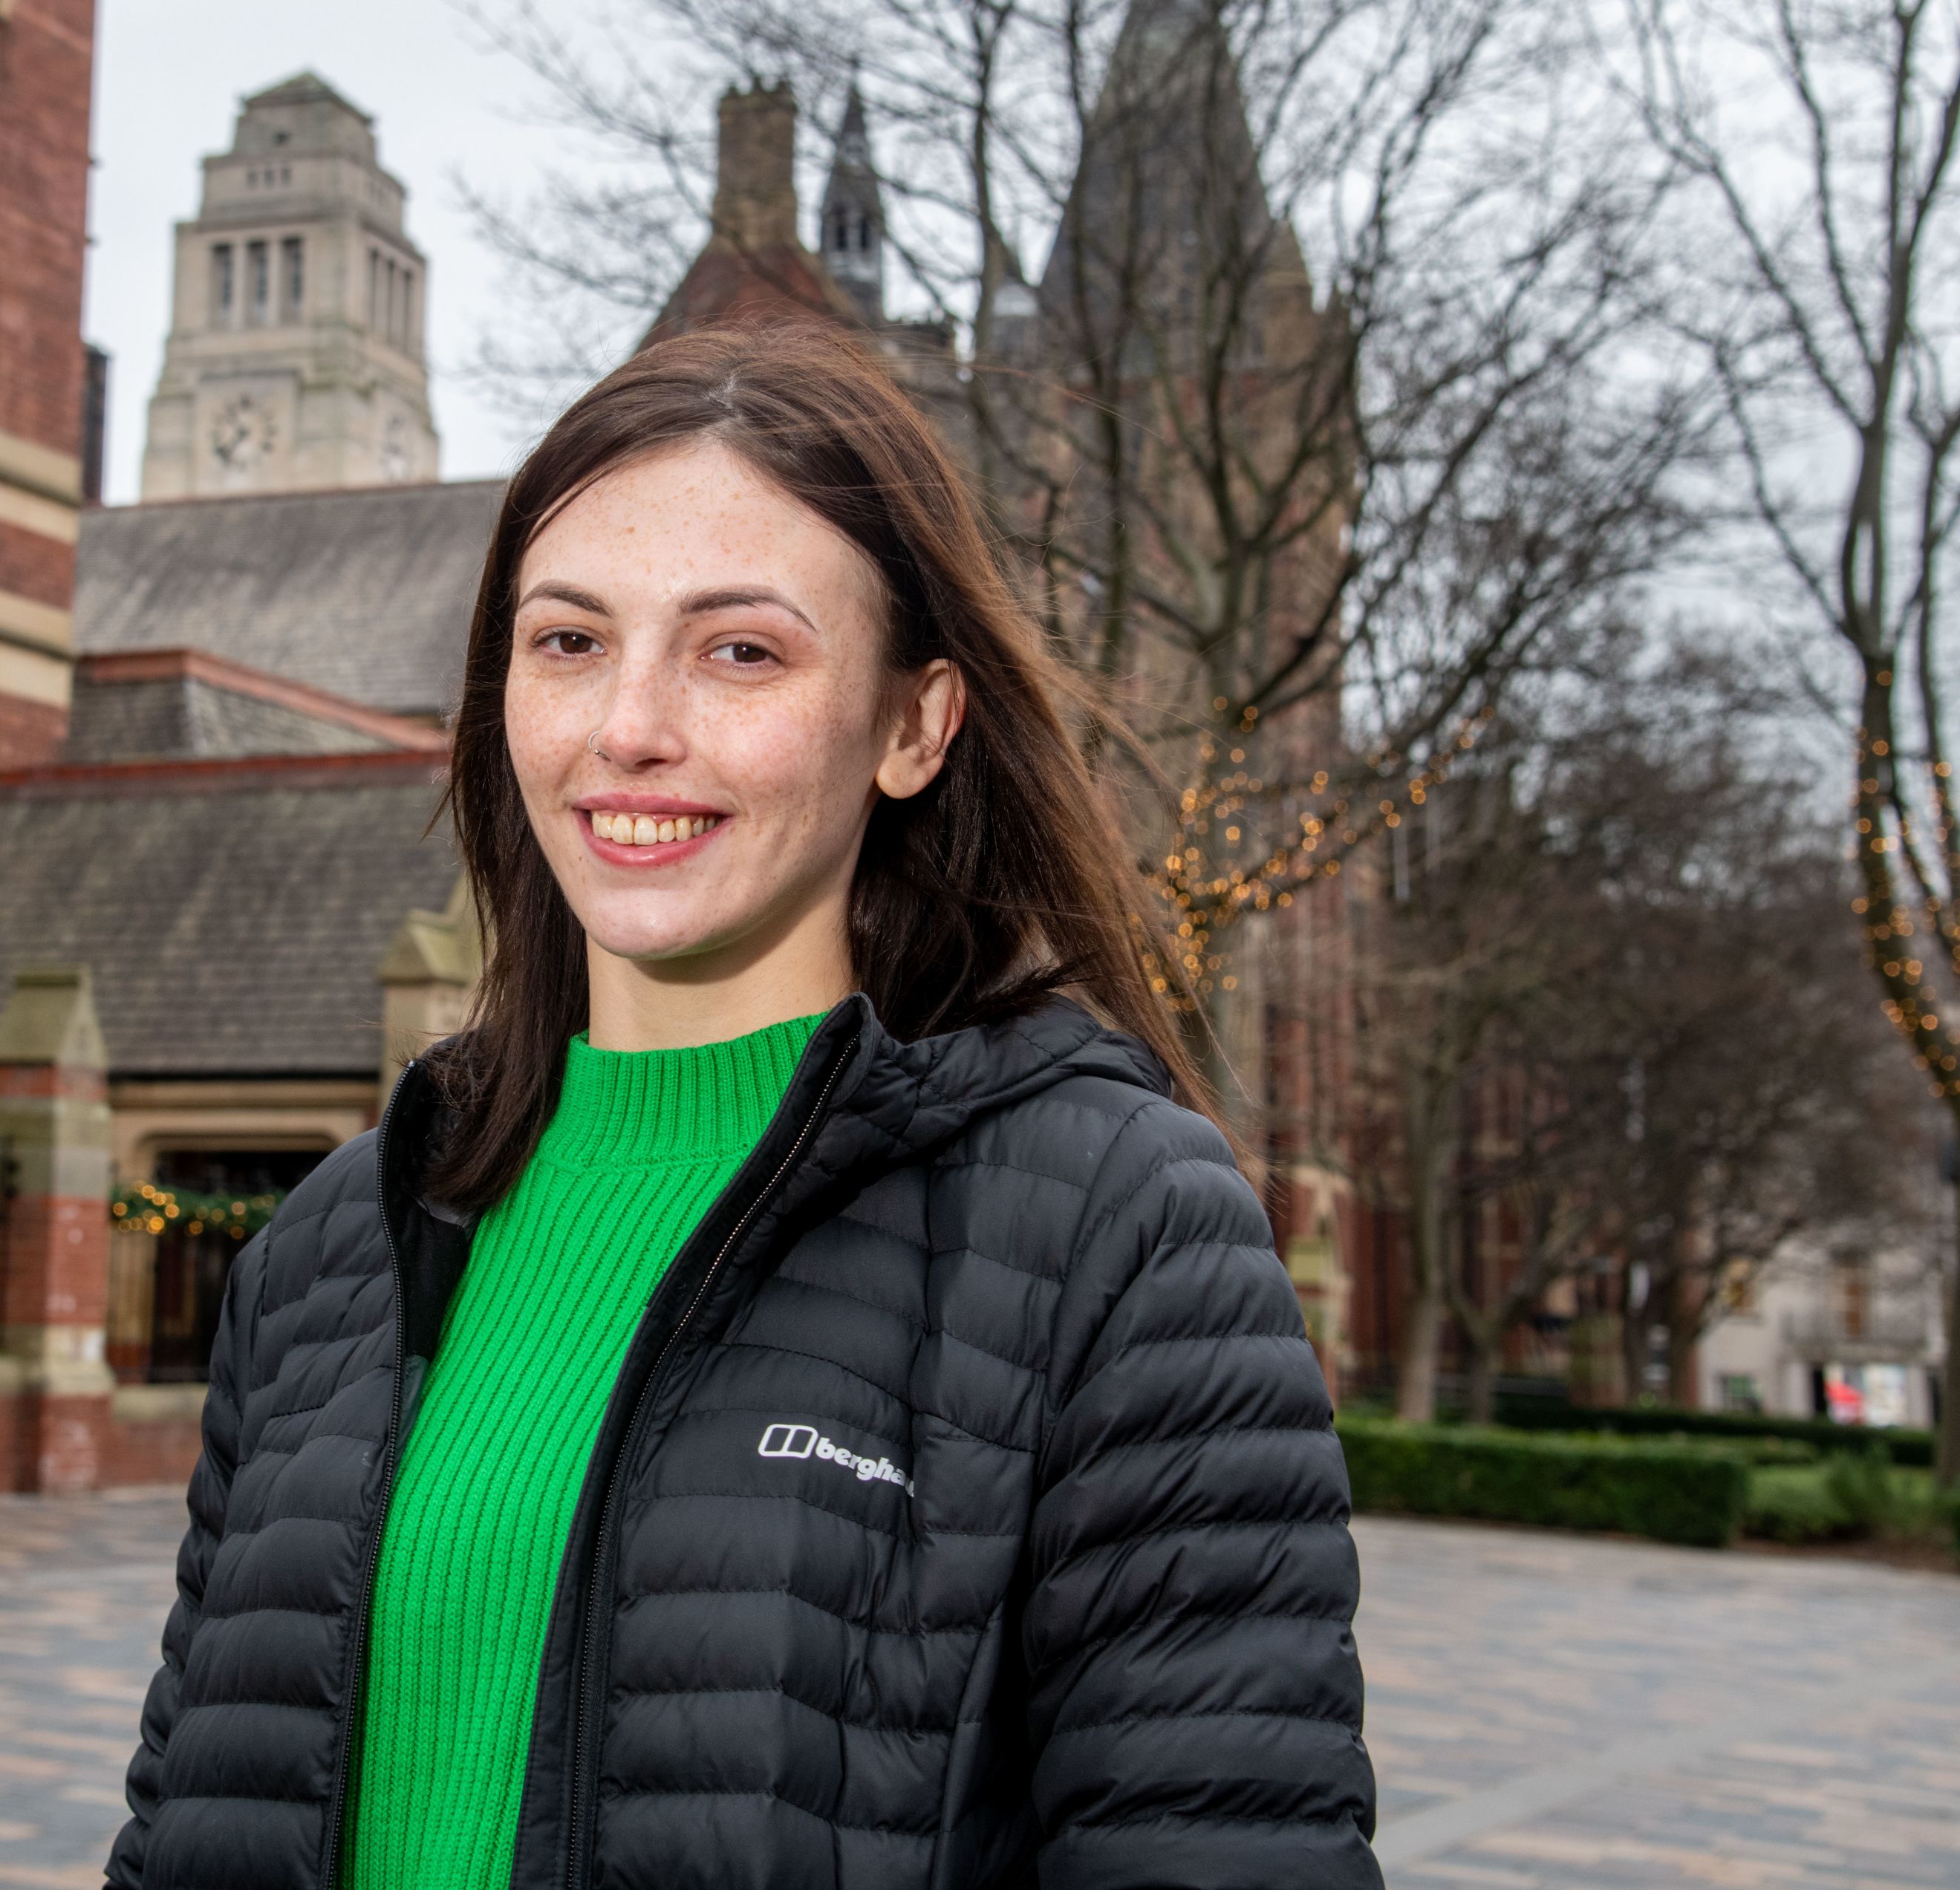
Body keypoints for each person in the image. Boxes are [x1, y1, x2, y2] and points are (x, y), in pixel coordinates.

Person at [107, 322, 1378, 1890]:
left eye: (739, 651)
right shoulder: (331, 1250)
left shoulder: (1122, 1233)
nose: (629, 725)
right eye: (568, 641)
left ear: (915, 725)